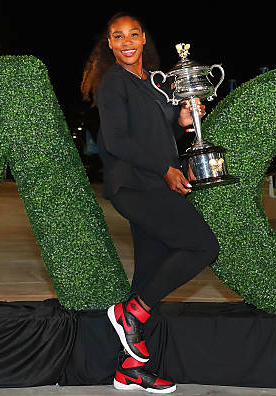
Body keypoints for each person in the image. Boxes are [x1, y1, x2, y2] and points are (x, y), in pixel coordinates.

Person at [81, 11, 220, 394]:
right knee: (203, 245)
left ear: (144, 40)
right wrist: (164, 169)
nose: (126, 42)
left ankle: (131, 369)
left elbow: (158, 137)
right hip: (135, 188)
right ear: (109, 44)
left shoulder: (152, 85)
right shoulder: (113, 83)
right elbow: (117, 141)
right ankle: (130, 314)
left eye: (133, 34)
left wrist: (183, 121)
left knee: (149, 277)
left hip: (154, 185)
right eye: (117, 36)